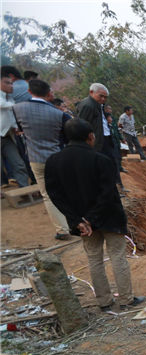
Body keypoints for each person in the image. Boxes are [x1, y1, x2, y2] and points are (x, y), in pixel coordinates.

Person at [44, 118, 145, 310]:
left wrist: (77, 220)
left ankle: (104, 302)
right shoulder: (101, 160)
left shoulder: (53, 162)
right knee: (117, 256)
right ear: (91, 137)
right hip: (109, 217)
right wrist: (92, 217)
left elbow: (55, 195)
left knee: (94, 258)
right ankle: (126, 299)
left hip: (82, 223)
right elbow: (108, 193)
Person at [12, 79, 71, 239]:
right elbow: (67, 138)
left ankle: (62, 230)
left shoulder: (18, 109)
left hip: (36, 158)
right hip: (57, 157)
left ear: (30, 92)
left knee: (47, 194)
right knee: (65, 190)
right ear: (49, 93)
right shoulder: (60, 114)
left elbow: (19, 128)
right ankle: (74, 223)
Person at [75, 83, 122, 186]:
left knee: (112, 162)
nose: (103, 99)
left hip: (105, 138)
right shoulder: (87, 105)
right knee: (101, 165)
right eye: (101, 96)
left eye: (105, 97)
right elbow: (81, 125)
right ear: (91, 92)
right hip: (96, 142)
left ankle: (116, 186)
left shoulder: (98, 104)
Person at [1, 73, 30, 188]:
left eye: (11, 83)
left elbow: (10, 115)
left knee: (19, 164)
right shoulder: (6, 101)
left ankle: (26, 191)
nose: (11, 86)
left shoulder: (10, 98)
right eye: (7, 83)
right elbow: (3, 105)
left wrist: (14, 127)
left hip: (7, 136)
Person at [104, 105, 126, 174]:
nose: (110, 110)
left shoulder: (112, 118)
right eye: (108, 109)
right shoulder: (104, 120)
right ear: (105, 110)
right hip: (111, 140)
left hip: (116, 139)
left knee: (119, 155)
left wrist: (121, 138)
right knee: (114, 156)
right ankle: (115, 169)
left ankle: (120, 167)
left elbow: (116, 129)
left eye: (111, 109)